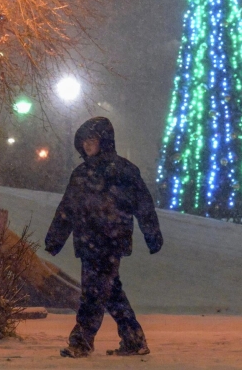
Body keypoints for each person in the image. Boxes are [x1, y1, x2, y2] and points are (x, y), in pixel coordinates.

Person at [45, 116, 163, 358]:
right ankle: (133, 339)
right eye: (84, 141)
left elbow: (144, 205)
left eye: (92, 140)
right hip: (89, 242)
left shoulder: (123, 171)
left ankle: (81, 340)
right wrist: (55, 238)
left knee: (93, 292)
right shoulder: (81, 174)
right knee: (110, 291)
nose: (88, 145)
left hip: (111, 241)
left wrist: (152, 234)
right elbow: (67, 208)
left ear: (104, 141)